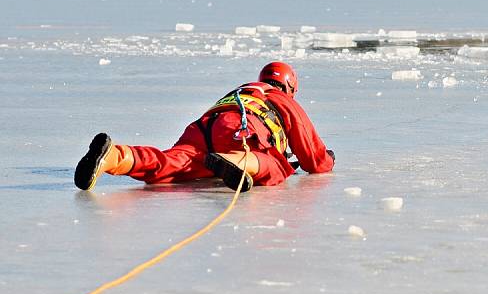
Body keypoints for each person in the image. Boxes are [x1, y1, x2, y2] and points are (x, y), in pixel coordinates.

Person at [74, 61, 334, 193]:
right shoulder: (278, 98)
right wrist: (327, 160)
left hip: (203, 128)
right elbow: (312, 155)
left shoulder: (243, 91)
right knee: (275, 165)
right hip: (241, 132)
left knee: (172, 164)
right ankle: (236, 162)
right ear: (290, 87)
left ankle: (114, 156)